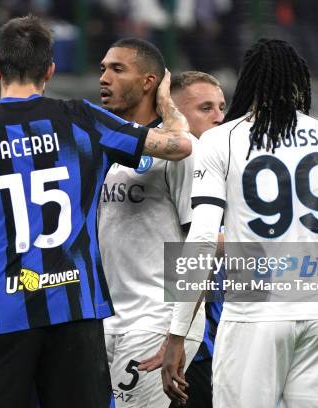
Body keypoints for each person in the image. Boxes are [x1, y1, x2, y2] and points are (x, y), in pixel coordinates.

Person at [0, 15, 192, 408]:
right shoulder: (81, 118)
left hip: (2, 314)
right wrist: (166, 103)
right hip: (75, 309)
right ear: (50, 69)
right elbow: (181, 145)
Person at [162, 38, 318, 408]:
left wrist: (177, 333)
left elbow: (203, 238)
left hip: (252, 316)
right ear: (298, 82)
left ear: (249, 81)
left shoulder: (221, 140)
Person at [97, 40, 204, 408]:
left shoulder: (181, 153)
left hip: (155, 319)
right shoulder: (106, 145)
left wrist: (177, 332)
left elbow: (199, 245)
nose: (104, 78)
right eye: (102, 69)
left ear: (149, 82)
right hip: (108, 321)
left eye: (117, 69)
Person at [168, 71, 226, 408]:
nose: (220, 116)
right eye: (206, 108)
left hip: (217, 339)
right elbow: (184, 246)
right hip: (180, 342)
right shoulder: (176, 166)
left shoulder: (220, 169)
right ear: (175, 113)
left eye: (221, 107)